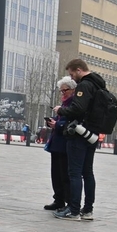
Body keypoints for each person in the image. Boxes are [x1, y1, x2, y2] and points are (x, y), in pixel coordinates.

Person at [54, 58, 105, 221]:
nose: (72, 77)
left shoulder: (85, 84)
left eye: (72, 74)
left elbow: (78, 108)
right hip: (92, 134)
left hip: (79, 134)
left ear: (78, 70)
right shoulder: (99, 84)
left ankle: (74, 210)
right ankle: (88, 210)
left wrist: (61, 110)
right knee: (87, 172)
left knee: (74, 173)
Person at [43, 77, 75, 211]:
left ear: (73, 89)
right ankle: (58, 199)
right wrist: (52, 122)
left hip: (65, 143)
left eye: (65, 90)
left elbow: (72, 121)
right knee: (56, 173)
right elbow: (61, 119)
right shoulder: (65, 104)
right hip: (56, 143)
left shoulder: (74, 104)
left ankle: (68, 201)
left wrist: (58, 124)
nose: (63, 93)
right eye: (61, 91)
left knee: (64, 174)